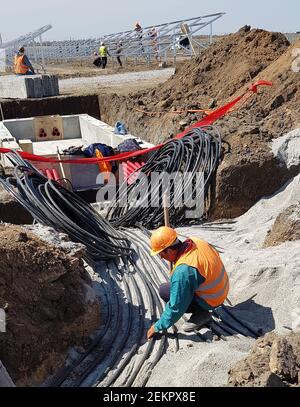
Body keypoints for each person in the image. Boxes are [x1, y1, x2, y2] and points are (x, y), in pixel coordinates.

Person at [147, 226, 229, 339]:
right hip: (221, 288)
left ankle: (202, 312)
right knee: (172, 288)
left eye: (161, 254)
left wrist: (158, 326)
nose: (161, 257)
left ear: (170, 251)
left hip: (212, 299)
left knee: (165, 291)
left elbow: (177, 306)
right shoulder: (195, 241)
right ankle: (203, 307)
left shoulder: (184, 270)